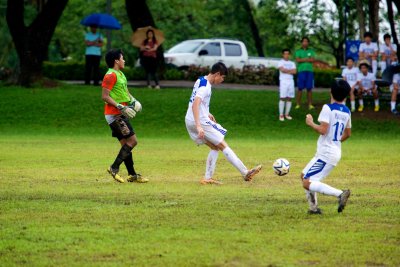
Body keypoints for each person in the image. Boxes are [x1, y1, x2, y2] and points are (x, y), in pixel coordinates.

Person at [185, 62, 262, 185]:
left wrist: (207, 112)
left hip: (189, 120)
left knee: (214, 147)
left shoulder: (201, 80)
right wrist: (199, 125)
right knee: (222, 145)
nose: (222, 80)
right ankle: (245, 172)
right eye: (222, 77)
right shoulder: (205, 88)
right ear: (217, 74)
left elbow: (197, 102)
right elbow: (196, 103)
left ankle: (207, 177)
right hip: (199, 121)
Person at [301, 79, 352, 215]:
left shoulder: (327, 108)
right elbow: (348, 134)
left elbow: (323, 130)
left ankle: (340, 193)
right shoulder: (347, 111)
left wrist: (311, 123)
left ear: (331, 92)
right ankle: (313, 208)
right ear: (346, 95)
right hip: (332, 151)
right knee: (303, 175)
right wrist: (335, 141)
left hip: (326, 153)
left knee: (307, 182)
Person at [101, 49, 149, 183]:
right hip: (115, 115)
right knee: (133, 141)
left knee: (125, 145)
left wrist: (133, 100)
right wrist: (120, 106)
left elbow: (125, 91)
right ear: (116, 60)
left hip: (119, 113)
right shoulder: (110, 75)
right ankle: (114, 167)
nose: (124, 60)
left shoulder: (120, 74)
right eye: (122, 58)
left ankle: (132, 175)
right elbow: (104, 96)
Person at [295, 37, 316, 110]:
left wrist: (303, 59)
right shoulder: (298, 51)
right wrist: (307, 59)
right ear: (301, 43)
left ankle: (310, 104)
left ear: (308, 43)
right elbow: (298, 60)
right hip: (301, 71)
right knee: (300, 88)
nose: (305, 43)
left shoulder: (311, 51)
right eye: (304, 41)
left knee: (309, 88)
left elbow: (313, 60)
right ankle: (298, 104)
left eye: (306, 41)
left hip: (309, 71)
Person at [278, 48, 297, 121]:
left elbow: (294, 72)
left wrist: (286, 70)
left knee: (290, 97)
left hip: (290, 81)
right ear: (282, 54)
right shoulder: (280, 62)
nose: (286, 55)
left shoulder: (292, 63)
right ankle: (281, 115)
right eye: (285, 54)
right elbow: (282, 70)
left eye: (287, 54)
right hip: (283, 81)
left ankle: (287, 114)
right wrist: (290, 71)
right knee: (282, 97)